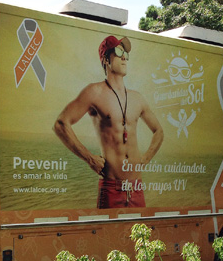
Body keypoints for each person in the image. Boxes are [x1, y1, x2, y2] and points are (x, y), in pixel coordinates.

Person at [53, 35, 163, 208]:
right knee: (107, 227)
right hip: (111, 188)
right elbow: (61, 124)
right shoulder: (94, 92)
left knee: (140, 227)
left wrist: (146, 157)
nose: (124, 57)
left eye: (125, 53)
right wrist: (90, 159)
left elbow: (158, 131)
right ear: (106, 59)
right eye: (118, 52)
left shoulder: (137, 98)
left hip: (136, 188)